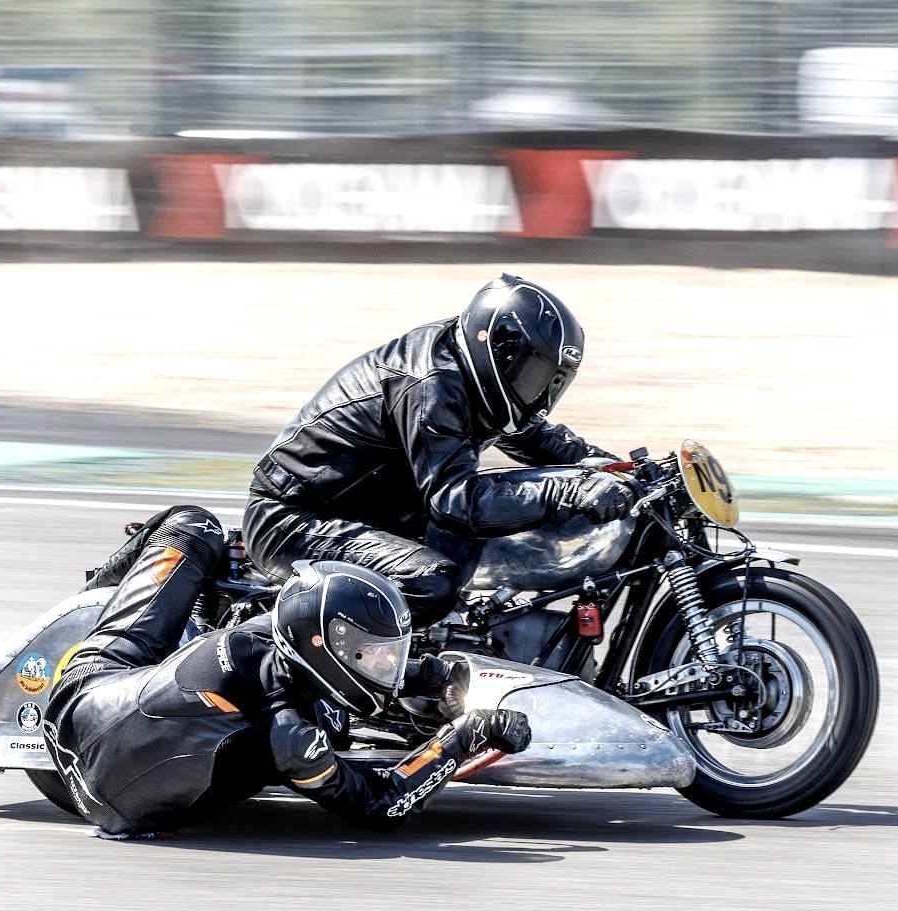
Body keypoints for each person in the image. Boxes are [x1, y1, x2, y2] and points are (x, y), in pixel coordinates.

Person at [43, 505, 531, 838]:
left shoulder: (272, 634)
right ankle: (85, 609)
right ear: (321, 645)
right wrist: (465, 735)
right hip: (108, 800)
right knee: (331, 724)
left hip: (87, 686)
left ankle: (114, 604)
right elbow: (382, 805)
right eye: (374, 652)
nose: (387, 663)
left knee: (193, 525)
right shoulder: (292, 738)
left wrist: (427, 674)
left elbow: (321, 655)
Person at [244, 273, 635, 628]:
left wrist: (615, 469)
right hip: (295, 520)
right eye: (534, 377)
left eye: (552, 383)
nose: (539, 394)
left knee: (495, 541)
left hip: (374, 515)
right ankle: (318, 661)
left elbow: (536, 437)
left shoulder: (473, 375)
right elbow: (456, 502)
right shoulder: (432, 384)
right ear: (498, 351)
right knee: (429, 582)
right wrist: (567, 492)